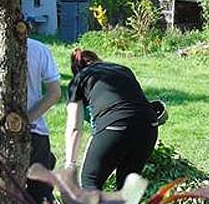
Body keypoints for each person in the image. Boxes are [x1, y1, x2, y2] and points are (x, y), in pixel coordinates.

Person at [0, 35, 64, 204]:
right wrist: (28, 120)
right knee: (40, 194)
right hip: (36, 129)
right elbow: (55, 92)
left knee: (8, 192)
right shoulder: (40, 49)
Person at [65, 48, 159, 191]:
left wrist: (70, 163)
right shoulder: (123, 70)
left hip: (116, 126)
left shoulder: (80, 78)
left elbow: (74, 127)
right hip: (149, 124)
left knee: (90, 182)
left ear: (77, 69)